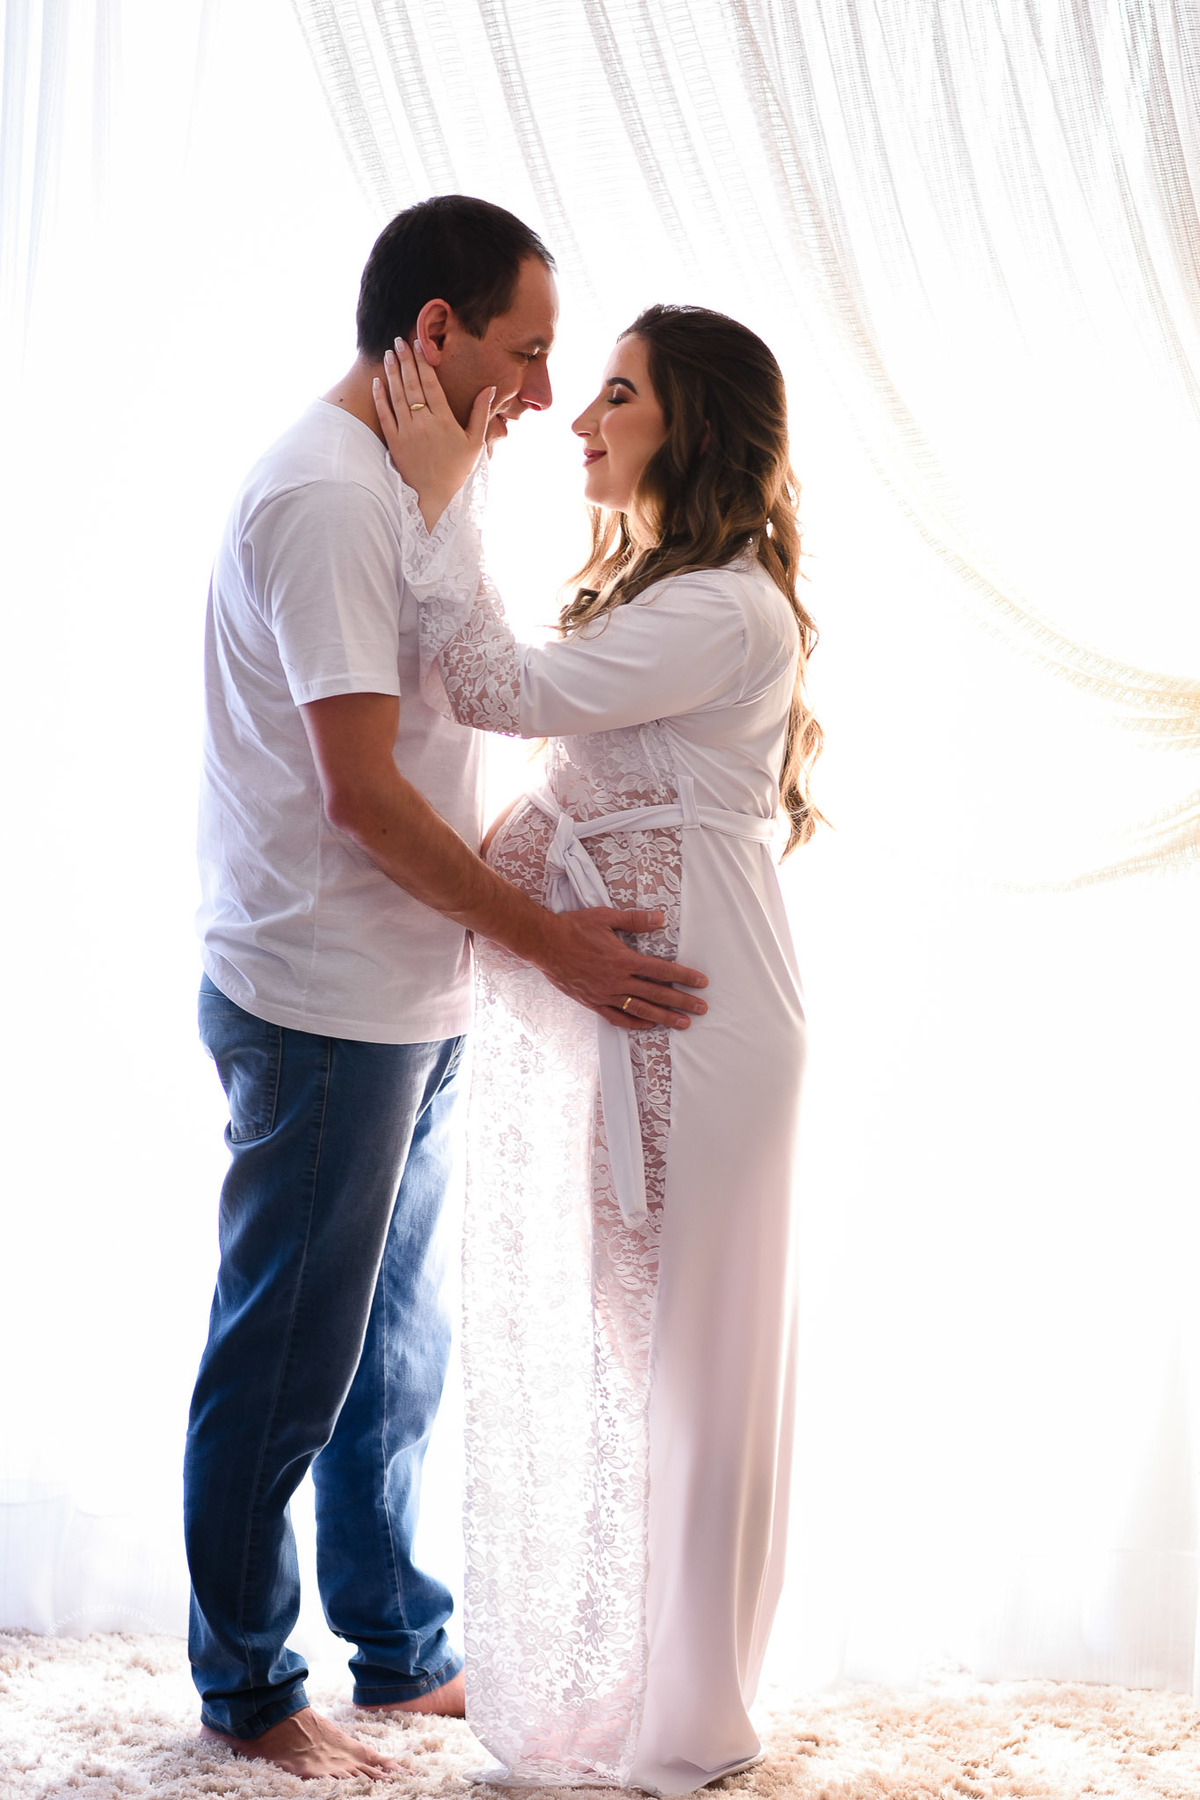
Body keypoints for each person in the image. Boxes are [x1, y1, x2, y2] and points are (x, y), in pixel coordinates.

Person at [187, 197, 709, 1784]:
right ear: (436, 333)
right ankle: (248, 1689)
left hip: (407, 989)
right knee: (288, 1360)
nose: (546, 393)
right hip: (323, 996)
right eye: (528, 354)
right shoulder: (332, 501)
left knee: (389, 1354)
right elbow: (363, 795)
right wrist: (552, 940)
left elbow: (472, 691)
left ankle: (400, 1648)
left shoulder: (423, 481)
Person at [373, 302, 821, 1794]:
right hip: (667, 1017)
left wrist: (443, 495)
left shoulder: (721, 609)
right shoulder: (678, 591)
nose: (581, 418)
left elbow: (500, 690)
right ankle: (650, 1682)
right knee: (654, 1356)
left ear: (692, 424)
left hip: (697, 1025)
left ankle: (688, 1711)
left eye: (616, 394)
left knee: (686, 1362)